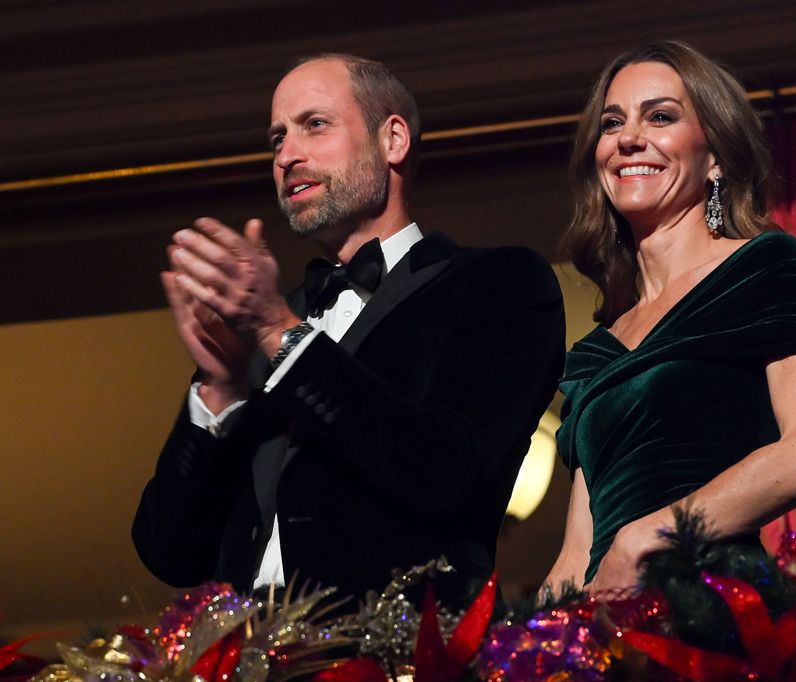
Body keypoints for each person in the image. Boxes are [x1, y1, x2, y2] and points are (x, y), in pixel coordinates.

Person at [133, 54, 565, 607]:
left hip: (405, 654)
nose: (287, 155)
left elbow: (445, 471)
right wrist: (218, 391)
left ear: (393, 140)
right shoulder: (260, 324)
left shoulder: (497, 283)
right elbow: (169, 552)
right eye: (276, 139)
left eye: (315, 124)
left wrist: (283, 335)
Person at [544, 41, 796, 595]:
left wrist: (648, 537)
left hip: (715, 610)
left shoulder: (762, 265)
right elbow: (576, 554)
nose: (629, 137)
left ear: (716, 158)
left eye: (660, 116)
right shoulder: (593, 354)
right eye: (613, 123)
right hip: (612, 633)